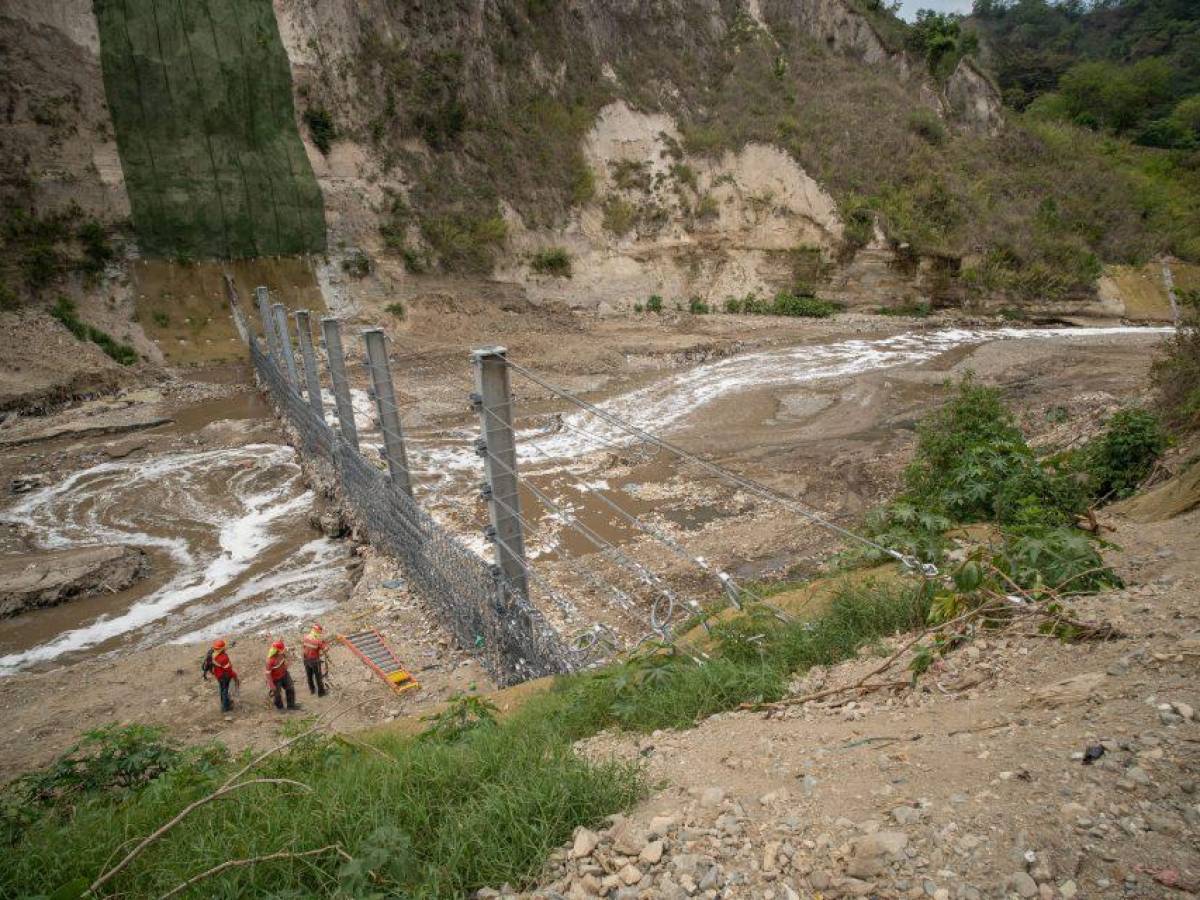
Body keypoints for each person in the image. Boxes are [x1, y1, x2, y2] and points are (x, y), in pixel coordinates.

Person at [202, 639, 239, 712]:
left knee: (222, 689)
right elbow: (228, 670)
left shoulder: (212, 654)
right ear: (222, 649)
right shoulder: (224, 658)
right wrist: (234, 676)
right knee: (225, 690)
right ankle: (225, 707)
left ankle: (224, 703)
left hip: (218, 675)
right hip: (225, 676)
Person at [265, 640, 300, 711]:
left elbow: (287, 649)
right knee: (277, 694)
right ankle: (280, 708)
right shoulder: (270, 661)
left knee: (290, 688)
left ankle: (291, 706)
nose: (283, 651)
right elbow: (267, 674)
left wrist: (292, 648)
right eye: (281, 650)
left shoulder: (282, 652)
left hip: (284, 674)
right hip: (275, 679)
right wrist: (272, 685)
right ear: (276, 651)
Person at [300, 623, 329, 696]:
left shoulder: (305, 637)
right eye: (320, 632)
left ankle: (312, 690)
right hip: (314, 661)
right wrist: (324, 643)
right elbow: (325, 649)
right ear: (318, 632)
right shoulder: (318, 641)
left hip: (306, 660)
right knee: (318, 676)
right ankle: (321, 693)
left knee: (309, 676)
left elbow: (303, 647)